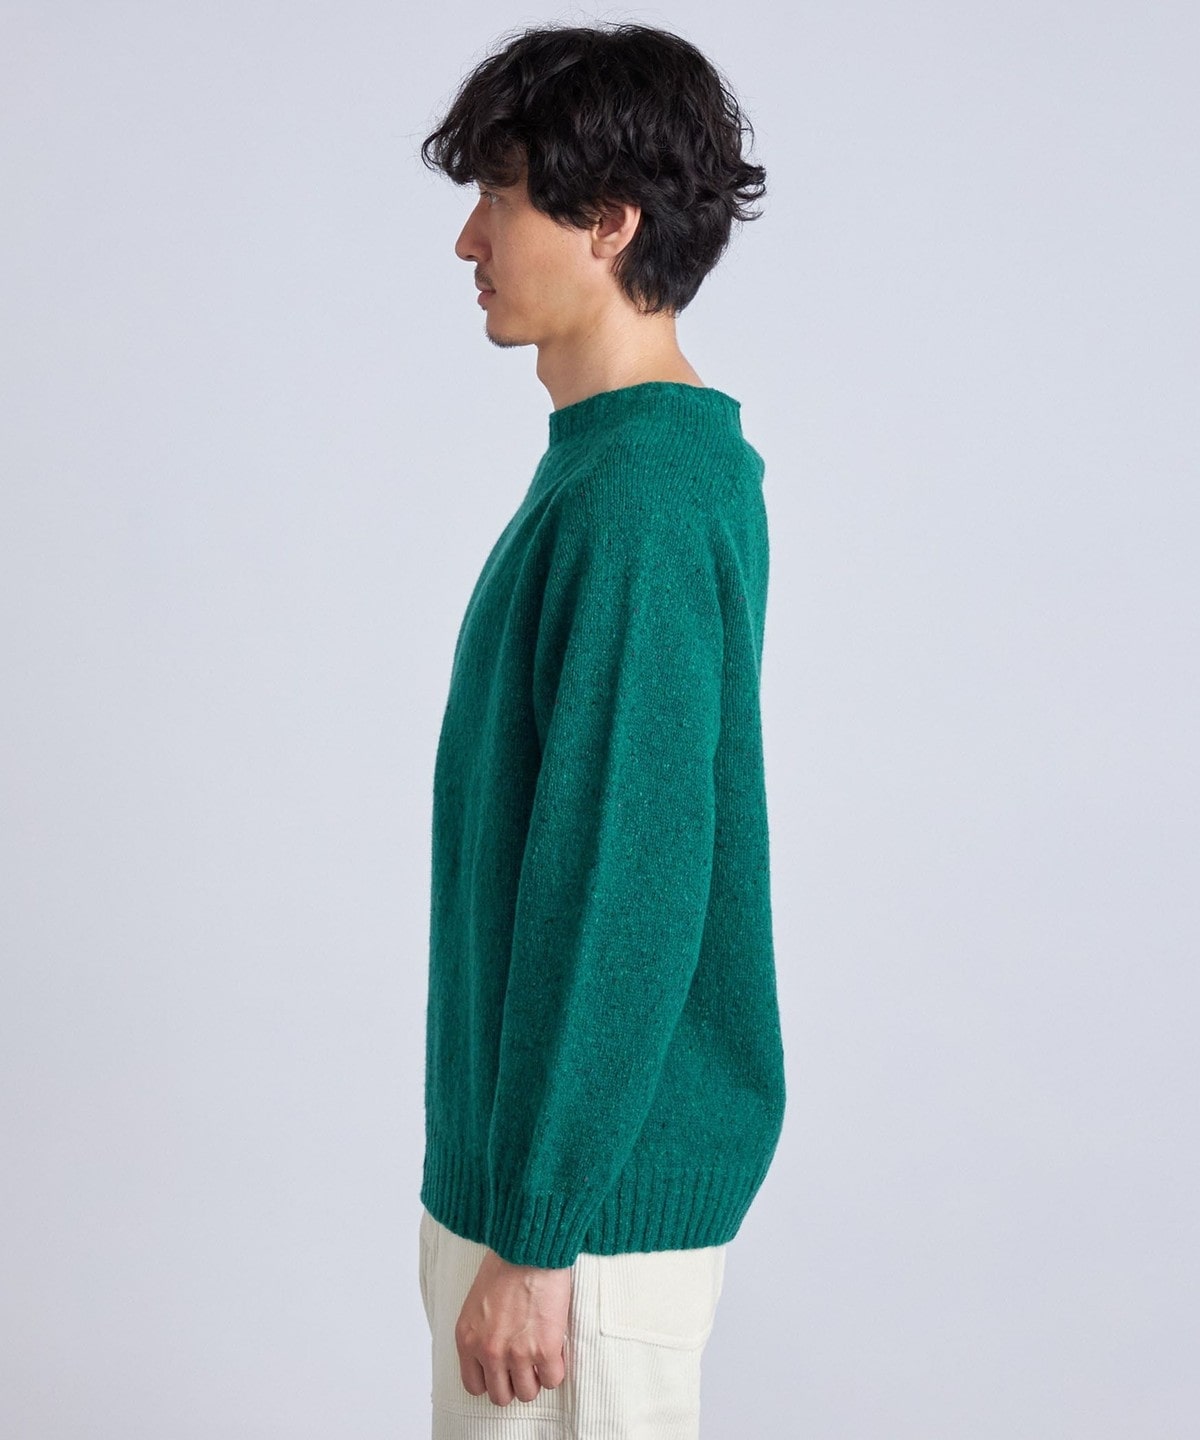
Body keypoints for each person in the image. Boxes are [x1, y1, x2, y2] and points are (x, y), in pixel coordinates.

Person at [415, 21, 787, 1437]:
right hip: (543, 1207)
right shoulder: (610, 474)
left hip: (577, 1235)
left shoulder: (641, 501)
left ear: (610, 220)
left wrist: (537, 1232)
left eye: (501, 195)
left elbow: (627, 883)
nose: (469, 240)